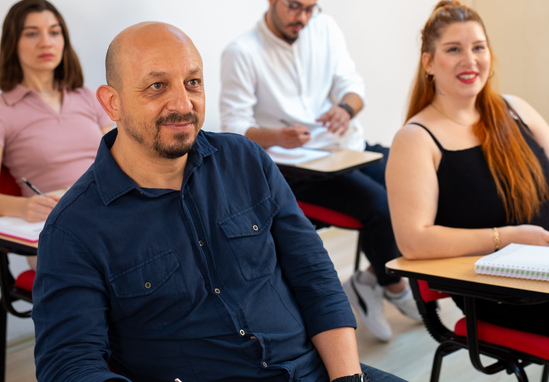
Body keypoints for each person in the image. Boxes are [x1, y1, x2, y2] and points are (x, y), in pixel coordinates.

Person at [33, 22, 404, 382]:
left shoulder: (246, 159)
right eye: (157, 86)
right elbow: (69, 363)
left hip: (314, 370)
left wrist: (347, 378)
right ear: (112, 103)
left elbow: (314, 274)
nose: (183, 103)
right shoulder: (74, 228)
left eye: (193, 82)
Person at [220, 0, 419, 342]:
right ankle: (395, 287)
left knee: (416, 181)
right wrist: (277, 137)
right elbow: (234, 129)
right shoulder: (242, 52)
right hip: (297, 168)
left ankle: (369, 280)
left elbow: (353, 85)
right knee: (380, 206)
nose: (303, 17)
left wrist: (345, 109)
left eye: (310, 8)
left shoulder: (324, 28)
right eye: (295, 6)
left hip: (345, 148)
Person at [386, 0, 549, 341]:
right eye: (453, 49)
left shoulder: (516, 109)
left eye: (478, 47)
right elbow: (414, 241)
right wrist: (508, 237)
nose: (470, 60)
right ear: (428, 63)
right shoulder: (415, 139)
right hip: (507, 291)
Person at [0, 0, 112, 267]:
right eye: (32, 33)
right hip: (58, 232)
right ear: (13, 43)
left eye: (54, 32)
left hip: (110, 215)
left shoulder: (90, 97)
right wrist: (24, 207)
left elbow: (122, 160)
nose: (46, 42)